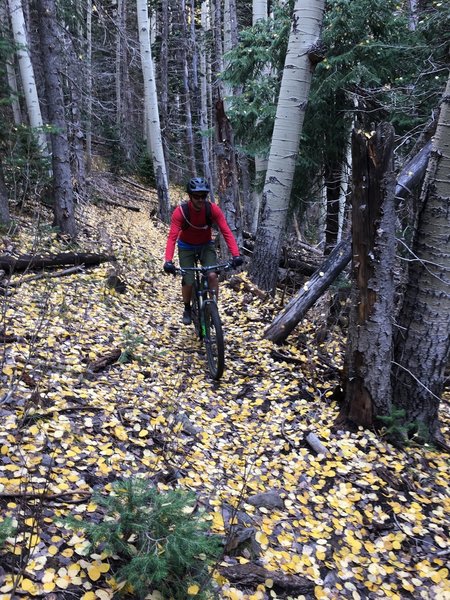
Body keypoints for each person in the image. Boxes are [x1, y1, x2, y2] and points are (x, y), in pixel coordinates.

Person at [163, 177, 243, 325]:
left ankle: (214, 309)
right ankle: (187, 308)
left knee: (212, 275)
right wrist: (168, 261)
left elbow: (226, 231)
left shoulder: (212, 209)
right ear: (190, 196)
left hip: (206, 245)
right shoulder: (180, 212)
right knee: (189, 279)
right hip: (186, 246)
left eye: (203, 196)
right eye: (196, 196)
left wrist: (236, 255)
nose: (200, 199)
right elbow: (172, 238)